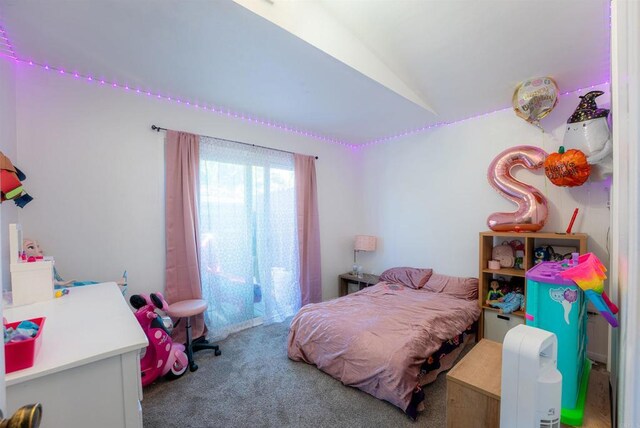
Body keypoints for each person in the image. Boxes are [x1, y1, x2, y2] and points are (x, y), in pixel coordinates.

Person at [22, 239, 127, 292]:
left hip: (62, 287)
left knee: (88, 284)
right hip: (59, 289)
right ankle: (117, 284)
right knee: (87, 286)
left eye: (38, 245)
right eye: (31, 247)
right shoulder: (32, 268)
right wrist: (62, 283)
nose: (38, 249)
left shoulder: (46, 263)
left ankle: (117, 284)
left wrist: (62, 282)